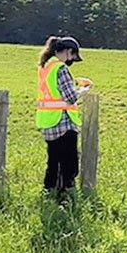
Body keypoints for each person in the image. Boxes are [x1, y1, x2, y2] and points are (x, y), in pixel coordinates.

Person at [36, 35, 92, 195]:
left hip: (48, 121)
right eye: (73, 55)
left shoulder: (45, 67)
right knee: (69, 162)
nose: (73, 60)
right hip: (63, 122)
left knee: (53, 161)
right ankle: (66, 194)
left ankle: (49, 191)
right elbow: (71, 97)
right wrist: (84, 89)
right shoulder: (61, 68)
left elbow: (54, 92)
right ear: (68, 51)